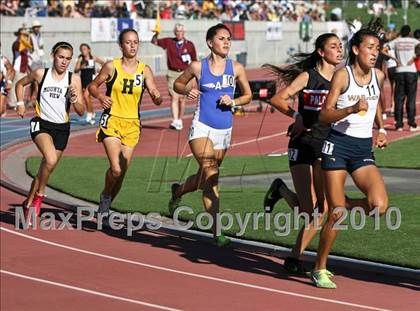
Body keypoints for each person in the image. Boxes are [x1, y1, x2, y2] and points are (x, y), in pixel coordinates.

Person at [311, 24, 389, 289]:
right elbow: (324, 115)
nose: (374, 53)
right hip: (337, 146)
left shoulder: (378, 76)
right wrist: (352, 109)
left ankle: (342, 203)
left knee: (379, 206)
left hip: (362, 150)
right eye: (370, 47)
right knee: (337, 214)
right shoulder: (342, 76)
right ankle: (319, 267)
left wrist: (381, 129)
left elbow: (376, 104)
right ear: (356, 49)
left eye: (377, 48)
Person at [262, 33, 343, 274]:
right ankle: (281, 190)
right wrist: (297, 117)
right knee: (310, 212)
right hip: (302, 143)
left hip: (325, 146)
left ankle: (294, 258)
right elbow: (278, 99)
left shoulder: (342, 78)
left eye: (341, 46)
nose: (339, 50)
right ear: (321, 51)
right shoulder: (309, 76)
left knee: (322, 210)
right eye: (333, 47)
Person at [168, 24, 252, 246]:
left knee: (204, 177)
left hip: (224, 131)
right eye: (222, 38)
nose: (226, 42)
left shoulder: (237, 68)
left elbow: (248, 96)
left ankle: (178, 191)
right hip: (201, 127)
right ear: (210, 42)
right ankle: (217, 231)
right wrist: (188, 90)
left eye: (228, 39)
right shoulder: (198, 67)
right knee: (212, 173)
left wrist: (233, 101)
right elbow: (177, 84)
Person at [88, 28, 162, 222]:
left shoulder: (144, 70)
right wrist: (101, 96)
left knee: (122, 173)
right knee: (116, 169)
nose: (132, 45)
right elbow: (92, 86)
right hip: (112, 120)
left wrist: (156, 96)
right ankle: (105, 197)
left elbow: (155, 92)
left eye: (135, 42)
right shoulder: (111, 66)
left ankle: (106, 206)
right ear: (121, 45)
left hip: (132, 125)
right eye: (128, 42)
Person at [15, 41, 85, 224]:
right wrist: (20, 103)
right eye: (61, 57)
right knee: (51, 159)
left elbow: (80, 110)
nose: (64, 62)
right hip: (41, 124)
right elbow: (20, 84)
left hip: (62, 129)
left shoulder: (74, 79)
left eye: (68, 59)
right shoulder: (41, 74)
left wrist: (75, 98)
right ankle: (40, 196)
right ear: (53, 55)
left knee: (45, 170)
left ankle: (27, 204)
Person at [152, 23, 197, 130]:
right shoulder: (169, 42)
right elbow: (154, 41)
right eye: (177, 31)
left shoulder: (190, 45)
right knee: (174, 97)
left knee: (182, 99)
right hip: (172, 73)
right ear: (174, 33)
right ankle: (175, 120)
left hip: (186, 74)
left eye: (181, 31)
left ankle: (180, 119)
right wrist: (156, 34)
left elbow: (194, 61)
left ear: (184, 32)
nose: (179, 33)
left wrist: (194, 77)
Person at [384, 25, 419, 131]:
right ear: (409, 33)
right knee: (411, 99)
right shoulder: (414, 41)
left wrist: (394, 59)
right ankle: (411, 124)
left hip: (399, 71)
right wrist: (414, 57)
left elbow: (383, 49)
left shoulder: (396, 41)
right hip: (411, 71)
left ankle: (399, 125)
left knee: (399, 98)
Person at [74, 43, 105, 124]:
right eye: (81, 49)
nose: (83, 51)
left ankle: (89, 114)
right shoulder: (81, 59)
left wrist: (100, 69)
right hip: (83, 80)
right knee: (87, 98)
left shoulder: (93, 58)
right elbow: (76, 70)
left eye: (84, 49)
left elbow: (104, 63)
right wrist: (81, 67)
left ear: (89, 50)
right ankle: (92, 113)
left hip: (91, 80)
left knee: (86, 96)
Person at [10, 26, 32, 108]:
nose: (25, 37)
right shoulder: (16, 43)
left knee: (23, 86)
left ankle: (19, 102)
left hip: (24, 69)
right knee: (15, 85)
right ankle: (12, 103)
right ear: (19, 35)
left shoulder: (25, 44)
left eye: (25, 35)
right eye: (23, 35)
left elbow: (29, 48)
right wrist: (24, 41)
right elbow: (19, 49)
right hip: (17, 68)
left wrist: (28, 37)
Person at [0, 42, 15, 116]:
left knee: (0, 110)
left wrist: (9, 82)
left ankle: (2, 110)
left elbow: (12, 70)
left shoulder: (3, 59)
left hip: (1, 86)